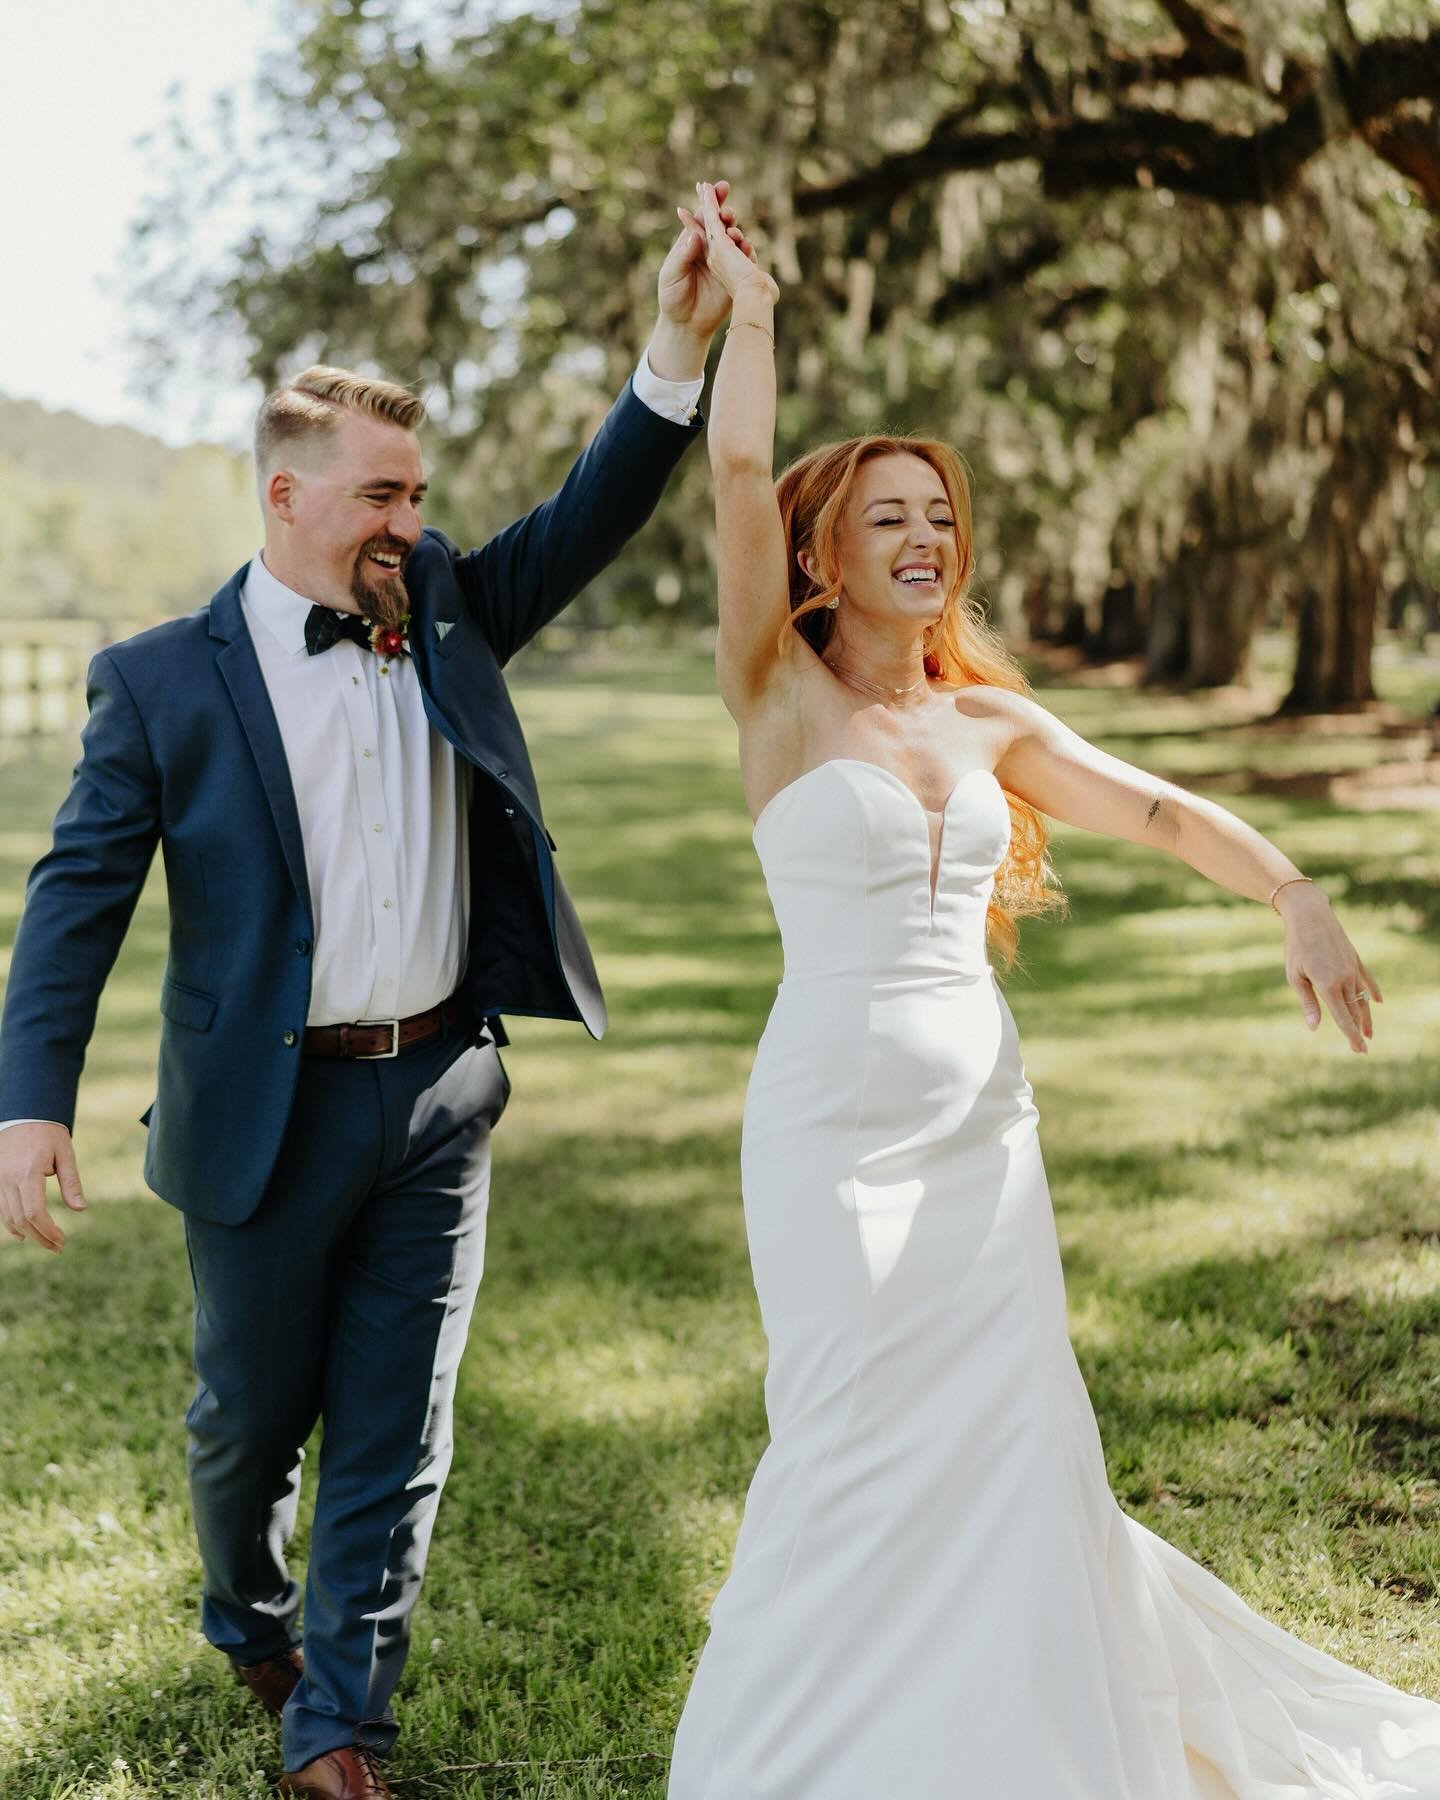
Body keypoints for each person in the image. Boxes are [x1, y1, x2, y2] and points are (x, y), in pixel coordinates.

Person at [666, 179, 1440, 1799]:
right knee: (848, 1438)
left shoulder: (994, 728)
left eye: (939, 515)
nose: (924, 538)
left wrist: (1293, 888)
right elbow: (735, 464)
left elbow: (1158, 809)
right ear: (823, 548)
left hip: (986, 1140)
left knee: (1012, 1448)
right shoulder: (780, 700)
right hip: (831, 1135)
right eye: (887, 516)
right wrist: (756, 313)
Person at [0, 183, 755, 1800]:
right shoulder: (156, 680)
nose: (407, 520)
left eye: (418, 492)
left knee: (399, 1435)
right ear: (284, 497)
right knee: (242, 1427)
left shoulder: (455, 604)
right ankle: (248, 1612)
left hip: (438, 1096)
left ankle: (337, 1725)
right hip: (259, 1111)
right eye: (378, 494)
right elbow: (77, 899)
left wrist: (677, 343)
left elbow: (594, 505)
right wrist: (28, 1101)